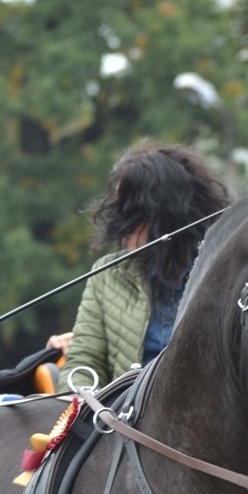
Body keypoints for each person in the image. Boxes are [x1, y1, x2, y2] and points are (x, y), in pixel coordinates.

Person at [60, 142, 230, 387]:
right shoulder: (107, 275)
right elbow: (83, 364)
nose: (118, 223)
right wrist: (90, 411)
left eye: (129, 213)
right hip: (123, 420)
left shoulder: (222, 271)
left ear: (165, 214)